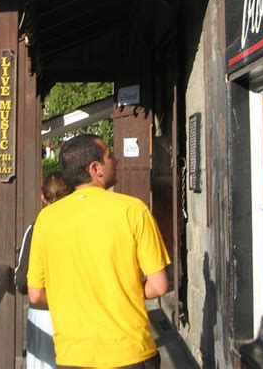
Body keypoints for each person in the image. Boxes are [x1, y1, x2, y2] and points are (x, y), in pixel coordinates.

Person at [27, 134, 171, 369]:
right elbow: (159, 286)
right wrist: (122, 290)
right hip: (130, 352)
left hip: (73, 355)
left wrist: (76, 298)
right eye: (109, 156)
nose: (115, 160)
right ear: (96, 169)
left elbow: (36, 294)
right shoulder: (133, 210)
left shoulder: (46, 220)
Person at [15, 171, 73, 368]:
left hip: (43, 313)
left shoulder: (36, 228)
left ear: (43, 197)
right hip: (78, 311)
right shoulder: (81, 224)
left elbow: (22, 281)